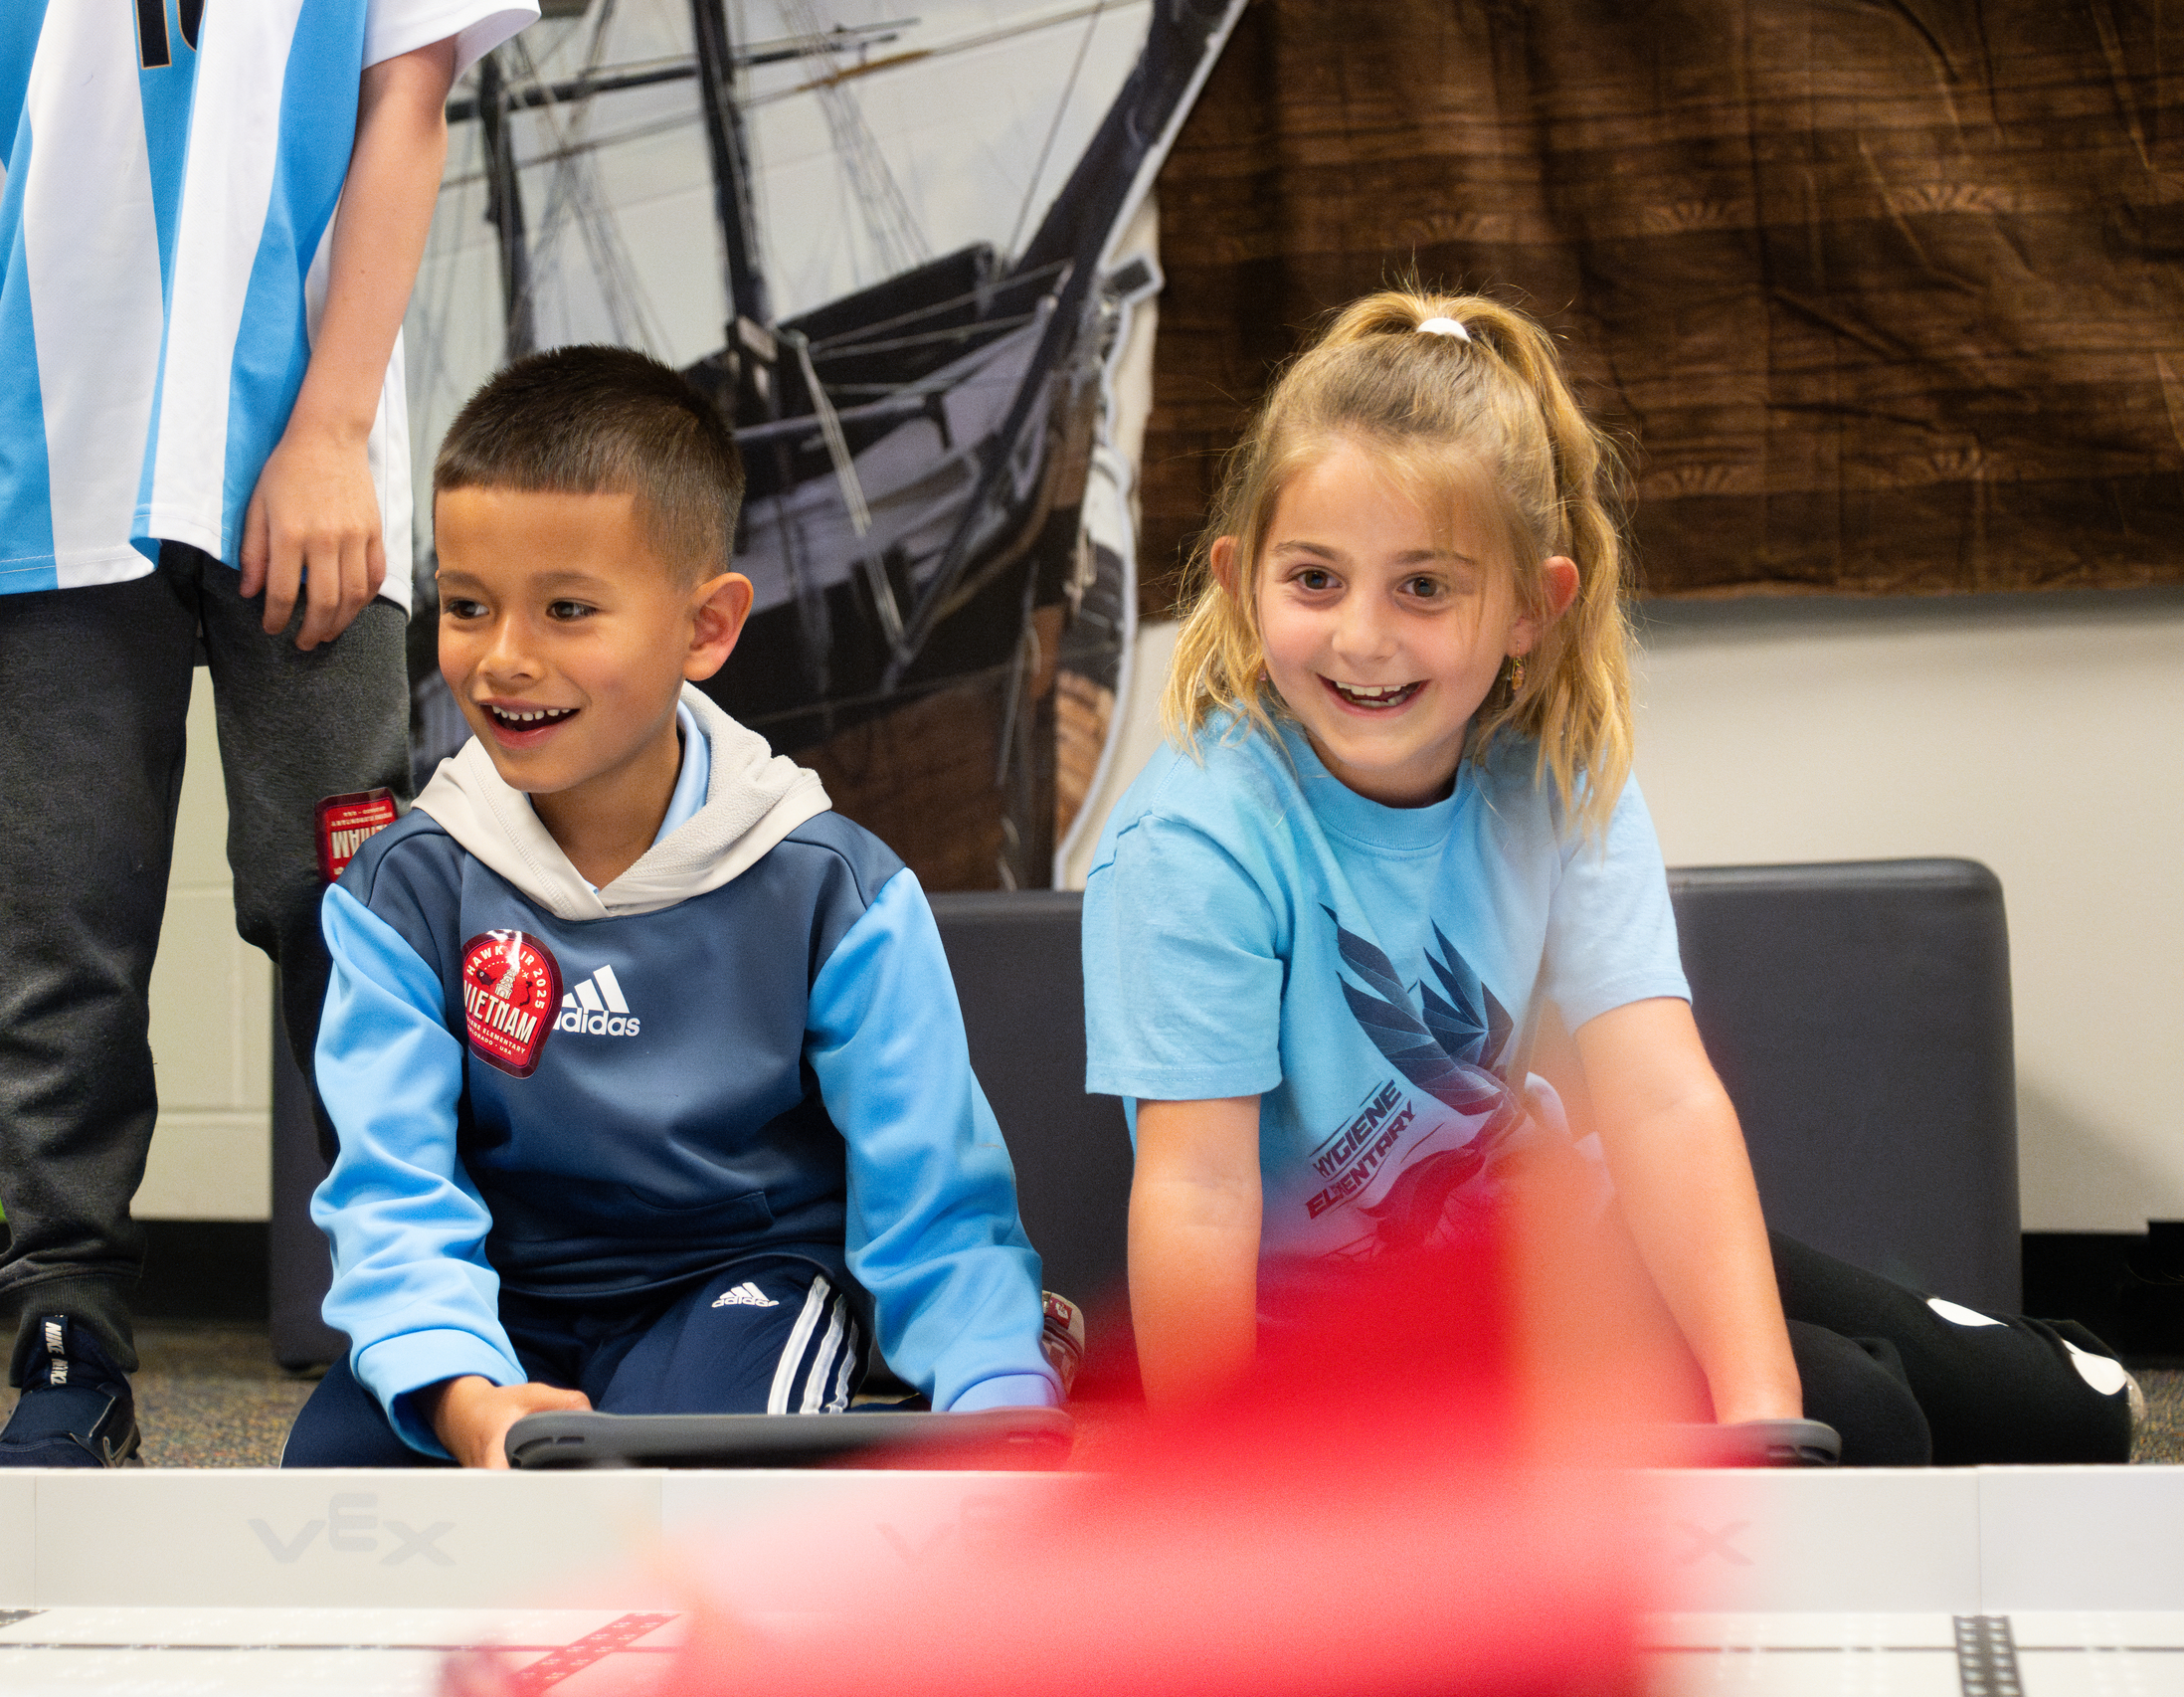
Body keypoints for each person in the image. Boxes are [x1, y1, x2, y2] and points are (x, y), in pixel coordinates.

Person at [1082, 289, 2133, 1466]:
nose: (1363, 637)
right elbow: (1200, 1198)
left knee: (2065, 1417)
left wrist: (1755, 1404)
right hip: (1354, 1336)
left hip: (1563, 1241)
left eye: (1423, 586)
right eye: (1315, 580)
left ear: (1532, 606)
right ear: (1238, 580)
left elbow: (1659, 1100)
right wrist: (1216, 1490)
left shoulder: (1557, 770)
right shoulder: (1195, 842)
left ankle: (2049, 1374)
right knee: (1869, 1419)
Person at [0, 0, 537, 1466]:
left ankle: (425, 1329)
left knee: (350, 924)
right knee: (56, 929)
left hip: (305, 483)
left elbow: (409, 91)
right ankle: (71, 1340)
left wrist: (329, 423)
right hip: (44, 457)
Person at [280, 347, 1059, 1468]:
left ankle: (910, 1399)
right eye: (465, 605)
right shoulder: (401, 892)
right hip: (499, 1306)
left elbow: (933, 1205)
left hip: (734, 1288)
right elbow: (394, 1190)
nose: (503, 659)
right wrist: (466, 1398)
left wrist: (996, 1393)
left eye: (566, 608)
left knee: (685, 1491)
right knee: (330, 1487)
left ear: (706, 628)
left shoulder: (836, 891)